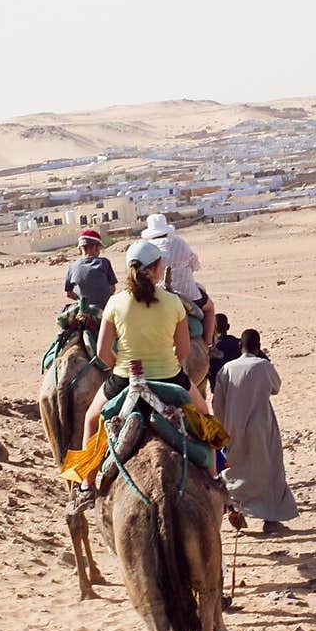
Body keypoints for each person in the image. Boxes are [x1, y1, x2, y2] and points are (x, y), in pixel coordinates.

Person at [70, 238, 209, 512]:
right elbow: (182, 350)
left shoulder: (115, 303)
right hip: (170, 378)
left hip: (125, 379)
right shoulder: (173, 303)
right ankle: (217, 480)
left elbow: (102, 354)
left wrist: (121, 364)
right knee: (207, 418)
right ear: (158, 268)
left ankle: (86, 485)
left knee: (90, 420)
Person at [212, 328, 298, 534]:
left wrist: (222, 428)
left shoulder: (227, 368)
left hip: (233, 425)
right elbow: (275, 388)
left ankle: (236, 508)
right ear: (258, 347)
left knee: (237, 469)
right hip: (261, 426)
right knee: (269, 470)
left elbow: (218, 402)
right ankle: (270, 520)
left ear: (240, 346)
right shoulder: (263, 365)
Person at [141, 213, 216, 347]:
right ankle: (209, 344)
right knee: (210, 308)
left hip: (158, 297)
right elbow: (194, 265)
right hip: (188, 294)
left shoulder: (146, 248)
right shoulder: (179, 242)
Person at [64, 228, 117, 312]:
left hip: (83, 312)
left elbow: (69, 294)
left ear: (79, 249)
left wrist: (83, 300)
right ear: (96, 247)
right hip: (104, 311)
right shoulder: (104, 263)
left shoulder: (72, 266)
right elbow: (113, 288)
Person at [208, 314, 241, 391]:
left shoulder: (209, 349)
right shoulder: (240, 344)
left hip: (218, 390)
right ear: (228, 327)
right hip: (238, 389)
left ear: (213, 328)